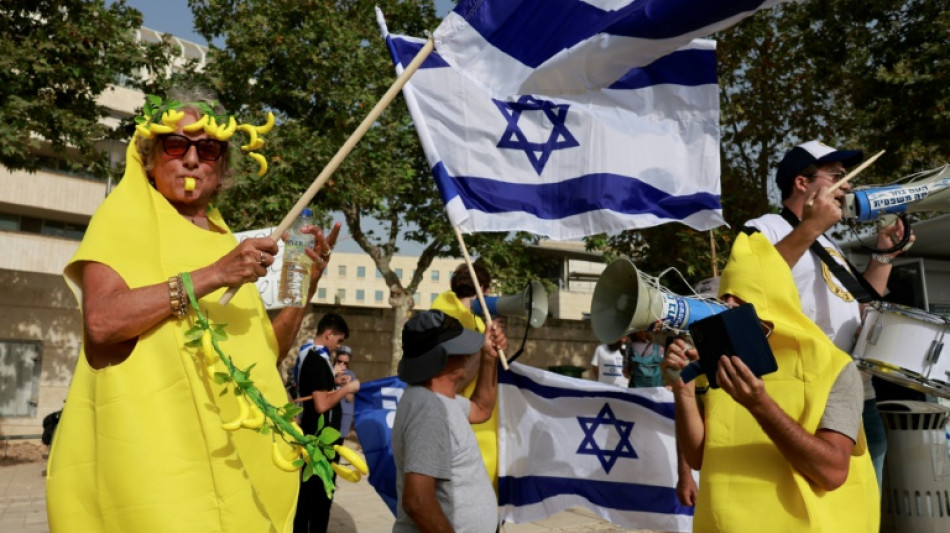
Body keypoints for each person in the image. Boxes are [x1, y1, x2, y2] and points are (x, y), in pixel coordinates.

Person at [46, 87, 340, 532]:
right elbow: (103, 322)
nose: (190, 159)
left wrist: (304, 287)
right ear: (149, 157)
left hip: (235, 472)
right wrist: (215, 274)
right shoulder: (124, 217)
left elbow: (264, 358)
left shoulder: (226, 241)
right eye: (175, 144)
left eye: (208, 149)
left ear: (222, 170)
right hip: (156, 470)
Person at [663, 231, 879, 532]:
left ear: (772, 299)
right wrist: (683, 391)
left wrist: (760, 405)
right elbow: (699, 457)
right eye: (724, 298)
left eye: (740, 297)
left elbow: (831, 472)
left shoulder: (834, 366)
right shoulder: (715, 361)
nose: (728, 307)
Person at [743, 139, 914, 489]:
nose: (847, 185)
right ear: (801, 183)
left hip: (854, 387)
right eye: (837, 176)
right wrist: (811, 227)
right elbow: (754, 284)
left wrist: (884, 254)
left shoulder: (828, 244)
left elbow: (860, 305)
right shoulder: (764, 228)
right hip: (810, 388)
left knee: (864, 497)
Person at [391, 310, 508, 533]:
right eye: (459, 348)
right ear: (440, 357)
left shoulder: (441, 400)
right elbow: (417, 501)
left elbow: (481, 409)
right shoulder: (429, 409)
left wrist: (489, 358)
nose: (467, 354)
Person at [295, 313, 360, 533]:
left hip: (317, 438)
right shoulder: (316, 360)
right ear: (329, 334)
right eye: (338, 340)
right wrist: (346, 389)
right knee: (319, 497)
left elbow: (317, 390)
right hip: (320, 441)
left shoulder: (311, 355)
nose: (338, 346)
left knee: (311, 494)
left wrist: (333, 382)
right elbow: (321, 405)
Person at [334, 345, 357, 438]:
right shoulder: (329, 371)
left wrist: (347, 387)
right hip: (331, 411)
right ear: (335, 359)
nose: (342, 365)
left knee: (340, 439)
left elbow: (351, 399)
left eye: (346, 363)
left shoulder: (351, 375)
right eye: (339, 361)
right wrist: (335, 378)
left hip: (345, 412)